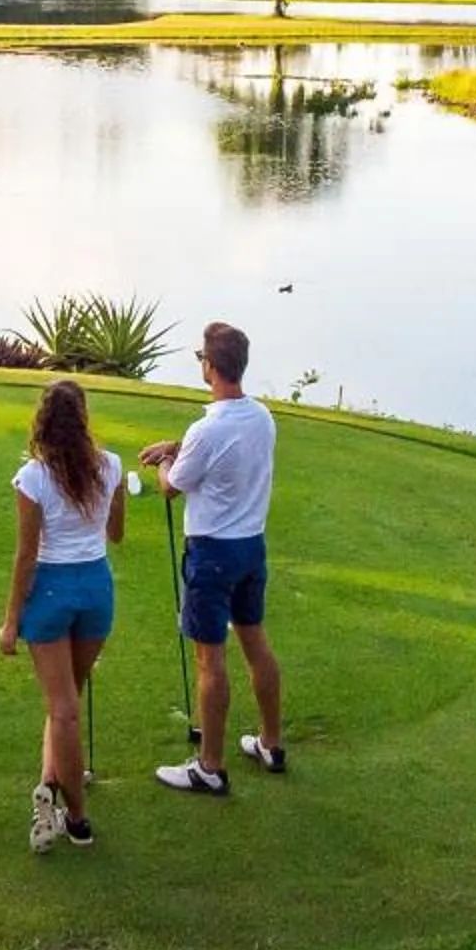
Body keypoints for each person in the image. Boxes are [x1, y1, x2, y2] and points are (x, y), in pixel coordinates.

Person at [140, 319, 283, 796]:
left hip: (212, 553)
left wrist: (166, 462)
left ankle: (211, 766)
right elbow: (223, 454)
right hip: (251, 549)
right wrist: (177, 448)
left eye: (201, 358)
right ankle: (270, 742)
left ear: (211, 366)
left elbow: (171, 487)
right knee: (256, 643)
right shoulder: (261, 416)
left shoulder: (207, 428)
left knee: (209, 659)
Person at [0, 378, 125, 854]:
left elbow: (26, 556)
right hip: (95, 590)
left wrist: (12, 621)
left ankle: (77, 818)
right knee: (66, 702)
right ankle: (48, 787)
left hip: (51, 591)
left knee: (63, 709)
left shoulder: (33, 477)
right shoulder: (109, 466)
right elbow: (116, 534)